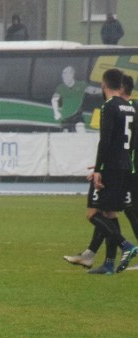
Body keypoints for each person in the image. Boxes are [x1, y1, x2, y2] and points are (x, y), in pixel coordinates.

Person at [64, 74, 136, 269]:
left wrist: (98, 168)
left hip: (110, 166)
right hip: (124, 165)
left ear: (104, 85)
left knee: (93, 213)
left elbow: (105, 140)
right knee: (110, 213)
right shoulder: (130, 107)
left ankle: (126, 245)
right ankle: (109, 264)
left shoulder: (109, 105)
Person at [51, 66, 91, 132]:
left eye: (66, 73)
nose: (63, 76)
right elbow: (54, 100)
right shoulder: (61, 87)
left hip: (77, 116)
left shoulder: (81, 84)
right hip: (66, 116)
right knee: (65, 136)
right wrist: (56, 112)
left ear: (72, 74)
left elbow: (92, 90)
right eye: (63, 74)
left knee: (81, 129)